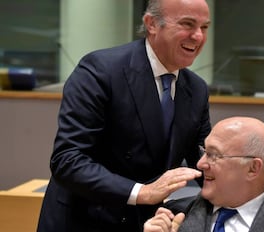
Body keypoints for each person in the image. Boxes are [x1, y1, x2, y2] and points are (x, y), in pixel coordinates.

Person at [37, 0, 211, 231]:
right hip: (85, 220)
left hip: (147, 222)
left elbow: (205, 161)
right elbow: (68, 160)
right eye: (187, 24)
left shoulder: (196, 88)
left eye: (204, 27)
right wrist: (143, 192)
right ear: (151, 24)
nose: (198, 36)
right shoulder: (100, 70)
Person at [143, 116, 264, 232]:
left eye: (213, 155)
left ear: (252, 168)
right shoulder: (172, 215)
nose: (201, 164)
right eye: (204, 152)